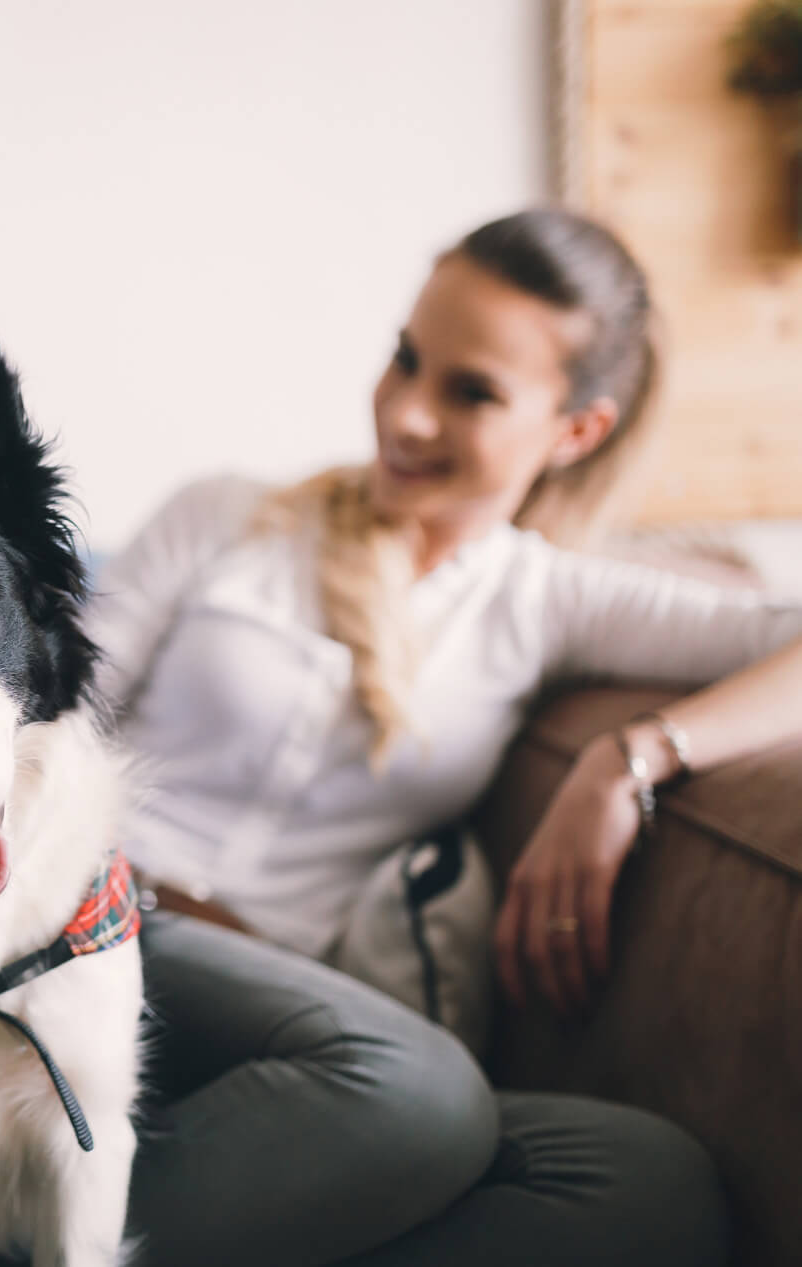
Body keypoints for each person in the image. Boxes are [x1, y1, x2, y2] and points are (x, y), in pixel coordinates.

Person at [91, 206, 802, 1266]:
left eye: (469, 391)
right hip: (92, 930)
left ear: (574, 432)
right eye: (405, 360)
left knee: (648, 1181)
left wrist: (628, 759)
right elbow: (36, 717)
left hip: (275, 1046)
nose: (407, 415)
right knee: (419, 1095)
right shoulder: (225, 518)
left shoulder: (542, 603)